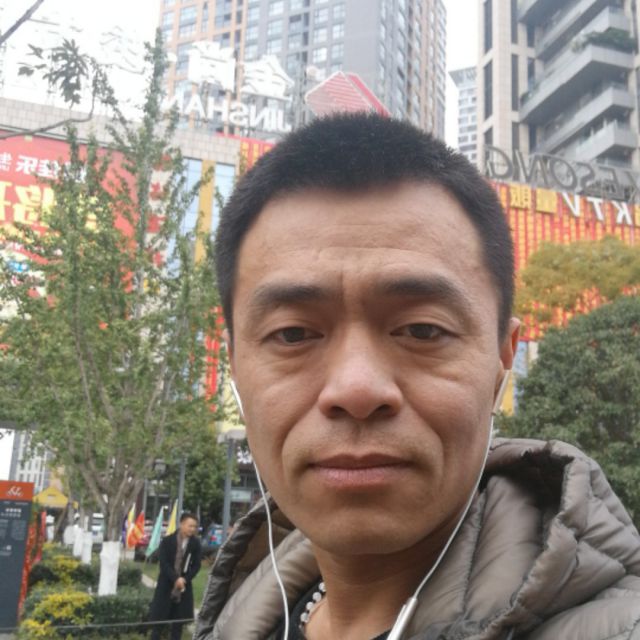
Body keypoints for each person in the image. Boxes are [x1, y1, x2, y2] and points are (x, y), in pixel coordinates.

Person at [195, 114, 640, 640]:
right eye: (292, 334)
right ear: (235, 365)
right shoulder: (236, 621)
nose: (356, 389)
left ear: (503, 360)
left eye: (423, 330)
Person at [149, 512, 202, 640]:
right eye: (190, 526)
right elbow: (164, 563)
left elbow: (196, 566)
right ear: (181, 524)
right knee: (158, 623)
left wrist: (184, 579)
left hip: (183, 587)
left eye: (194, 526)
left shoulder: (195, 543)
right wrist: (175, 578)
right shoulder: (167, 541)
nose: (192, 529)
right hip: (166, 585)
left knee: (178, 624)